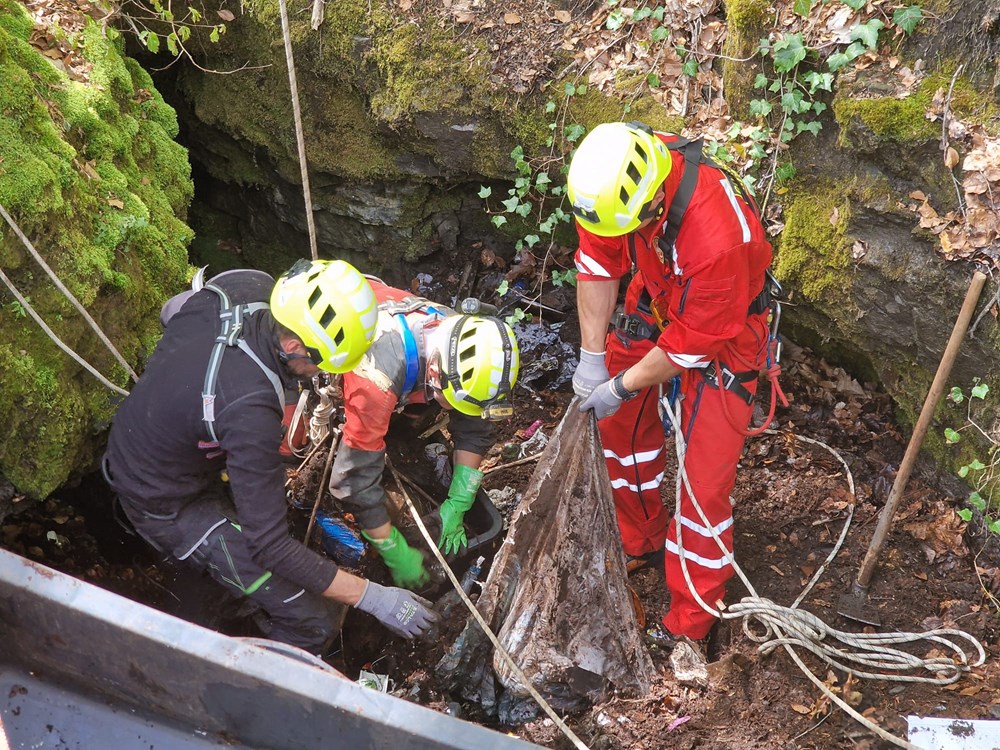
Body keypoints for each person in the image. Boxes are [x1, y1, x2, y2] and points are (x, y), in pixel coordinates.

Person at [102, 259, 439, 655]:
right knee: (315, 622)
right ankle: (231, 684)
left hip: (150, 441)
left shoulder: (245, 284)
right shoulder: (249, 414)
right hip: (164, 501)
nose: (319, 373)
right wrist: (373, 597)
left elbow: (172, 311)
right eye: (320, 364)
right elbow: (271, 547)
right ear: (294, 345)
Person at [567, 121, 779, 643]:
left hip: (726, 332)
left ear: (652, 205)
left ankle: (691, 622)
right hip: (660, 288)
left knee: (704, 487)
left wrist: (621, 386)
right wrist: (594, 360)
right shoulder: (610, 184)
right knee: (620, 433)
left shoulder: (717, 236)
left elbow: (690, 344)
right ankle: (641, 533)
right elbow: (597, 261)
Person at [328, 280, 520, 589]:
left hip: (403, 376)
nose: (456, 409)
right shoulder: (376, 381)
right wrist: (394, 551)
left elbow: (474, 426)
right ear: (433, 371)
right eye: (452, 398)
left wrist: (459, 501)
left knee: (427, 411)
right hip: (341, 353)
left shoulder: (458, 337)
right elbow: (352, 481)